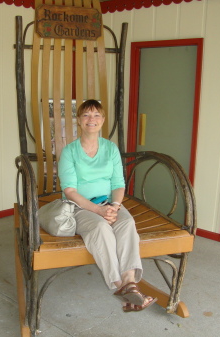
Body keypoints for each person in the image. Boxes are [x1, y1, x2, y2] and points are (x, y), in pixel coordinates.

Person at [58, 99, 157, 312]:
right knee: (101, 228)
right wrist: (98, 211)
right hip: (79, 207)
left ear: (103, 120)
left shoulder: (111, 149)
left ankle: (130, 281)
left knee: (127, 224)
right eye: (86, 115)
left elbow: (118, 184)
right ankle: (121, 286)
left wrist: (114, 207)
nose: (91, 120)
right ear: (79, 120)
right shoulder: (69, 152)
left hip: (108, 203)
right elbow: (70, 191)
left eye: (96, 115)